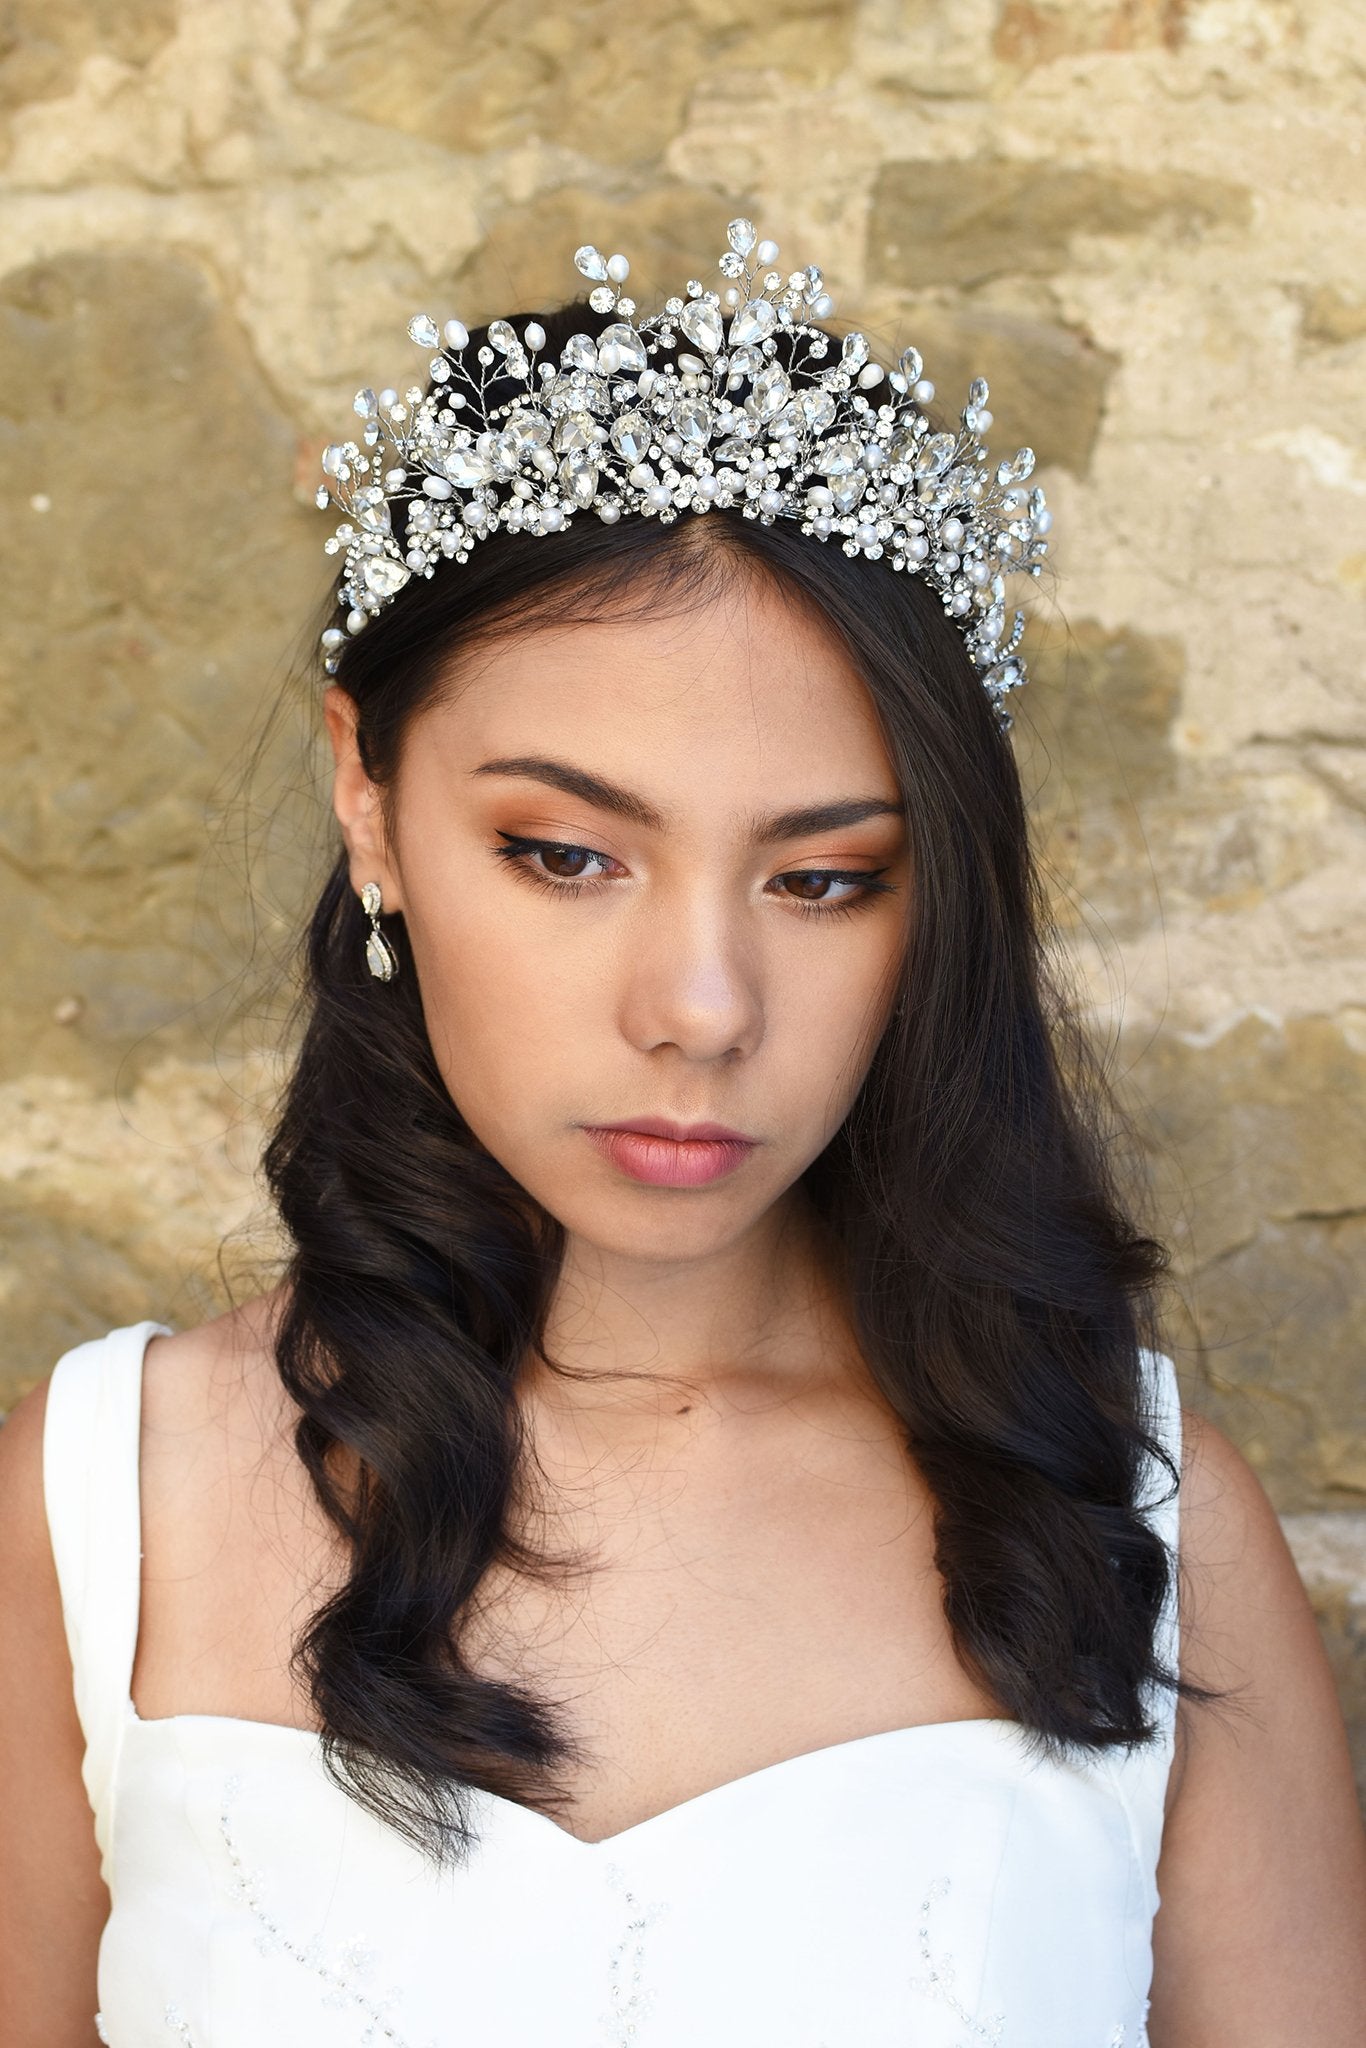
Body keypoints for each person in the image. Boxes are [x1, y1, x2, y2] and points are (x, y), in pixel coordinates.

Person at [1, 220, 1363, 2048]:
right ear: (371, 802)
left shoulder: (1130, 1519)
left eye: (821, 877)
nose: (702, 1006)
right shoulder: (98, 1511)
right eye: (566, 855)